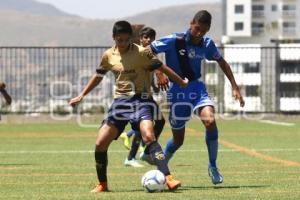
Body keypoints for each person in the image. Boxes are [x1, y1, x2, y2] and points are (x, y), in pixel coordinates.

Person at [69, 20, 188, 192]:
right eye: (120, 40)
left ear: (131, 38)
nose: (123, 43)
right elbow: (98, 76)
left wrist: (181, 82)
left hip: (142, 100)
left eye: (126, 40)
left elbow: (161, 67)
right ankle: (102, 184)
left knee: (148, 135)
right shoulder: (108, 55)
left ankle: (168, 179)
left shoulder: (142, 52)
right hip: (120, 103)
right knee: (100, 143)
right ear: (114, 37)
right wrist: (82, 95)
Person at [147, 10, 245, 185]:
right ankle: (161, 166)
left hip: (196, 88)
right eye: (197, 29)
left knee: (210, 121)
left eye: (203, 31)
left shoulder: (207, 44)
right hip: (176, 91)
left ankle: (213, 166)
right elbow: (148, 51)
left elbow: (222, 62)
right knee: (178, 140)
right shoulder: (174, 40)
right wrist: (158, 71)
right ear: (191, 23)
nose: (199, 34)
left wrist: (235, 87)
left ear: (207, 30)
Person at [120, 27, 166, 168]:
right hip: (136, 97)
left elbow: (149, 74)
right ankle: (135, 155)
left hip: (146, 96)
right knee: (144, 127)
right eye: (146, 37)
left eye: (151, 37)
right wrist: (159, 73)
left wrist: (155, 85)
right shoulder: (139, 53)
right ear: (140, 38)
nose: (149, 40)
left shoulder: (150, 54)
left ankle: (142, 152)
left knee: (159, 122)